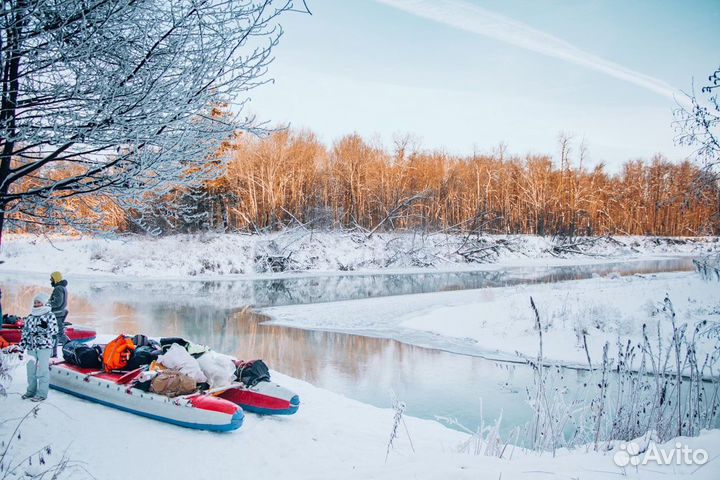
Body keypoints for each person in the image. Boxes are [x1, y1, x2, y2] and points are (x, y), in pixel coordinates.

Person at [20, 292, 58, 402]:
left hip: (44, 347)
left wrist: (45, 328)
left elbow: (55, 331)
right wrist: (21, 347)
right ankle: (31, 391)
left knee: (42, 370)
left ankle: (42, 394)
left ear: (44, 303)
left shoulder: (50, 315)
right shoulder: (30, 317)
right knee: (30, 370)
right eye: (35, 302)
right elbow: (25, 333)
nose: (36, 304)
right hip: (31, 347)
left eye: (39, 302)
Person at [49, 271, 69, 356]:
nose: (50, 280)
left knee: (59, 334)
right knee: (55, 334)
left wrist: (47, 304)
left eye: (51, 278)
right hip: (60, 313)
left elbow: (58, 302)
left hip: (57, 315)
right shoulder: (62, 288)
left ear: (55, 279)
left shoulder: (58, 288)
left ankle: (70, 348)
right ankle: (53, 354)